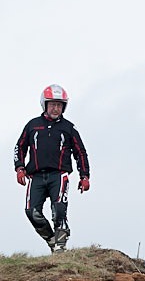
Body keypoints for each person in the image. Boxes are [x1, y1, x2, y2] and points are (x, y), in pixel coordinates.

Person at [14, 84, 90, 253]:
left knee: (59, 209)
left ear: (64, 106)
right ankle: (51, 240)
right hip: (36, 177)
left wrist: (84, 176)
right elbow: (19, 147)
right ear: (45, 104)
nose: (56, 108)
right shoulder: (32, 125)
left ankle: (61, 246)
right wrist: (19, 168)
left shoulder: (69, 128)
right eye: (52, 104)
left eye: (59, 105)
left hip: (59, 175)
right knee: (31, 212)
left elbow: (81, 153)